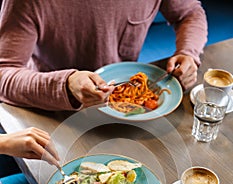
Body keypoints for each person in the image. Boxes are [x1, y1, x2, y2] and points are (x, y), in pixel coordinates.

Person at [0, 0, 208, 111]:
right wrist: (66, 84)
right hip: (51, 105)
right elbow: (3, 74)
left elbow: (190, 13)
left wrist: (188, 53)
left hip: (124, 105)